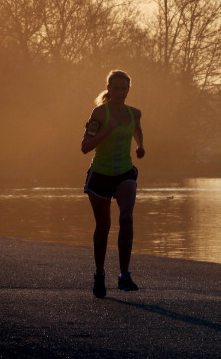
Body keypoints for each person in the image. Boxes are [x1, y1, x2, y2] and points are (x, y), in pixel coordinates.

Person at [81, 70, 145, 298]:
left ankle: (124, 275)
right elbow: (85, 146)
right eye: (115, 88)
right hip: (100, 173)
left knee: (126, 217)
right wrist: (105, 132)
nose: (120, 92)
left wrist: (140, 146)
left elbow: (137, 129)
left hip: (125, 172)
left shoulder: (134, 113)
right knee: (103, 226)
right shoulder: (99, 113)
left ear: (128, 91)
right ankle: (99, 274)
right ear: (109, 89)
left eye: (124, 89)